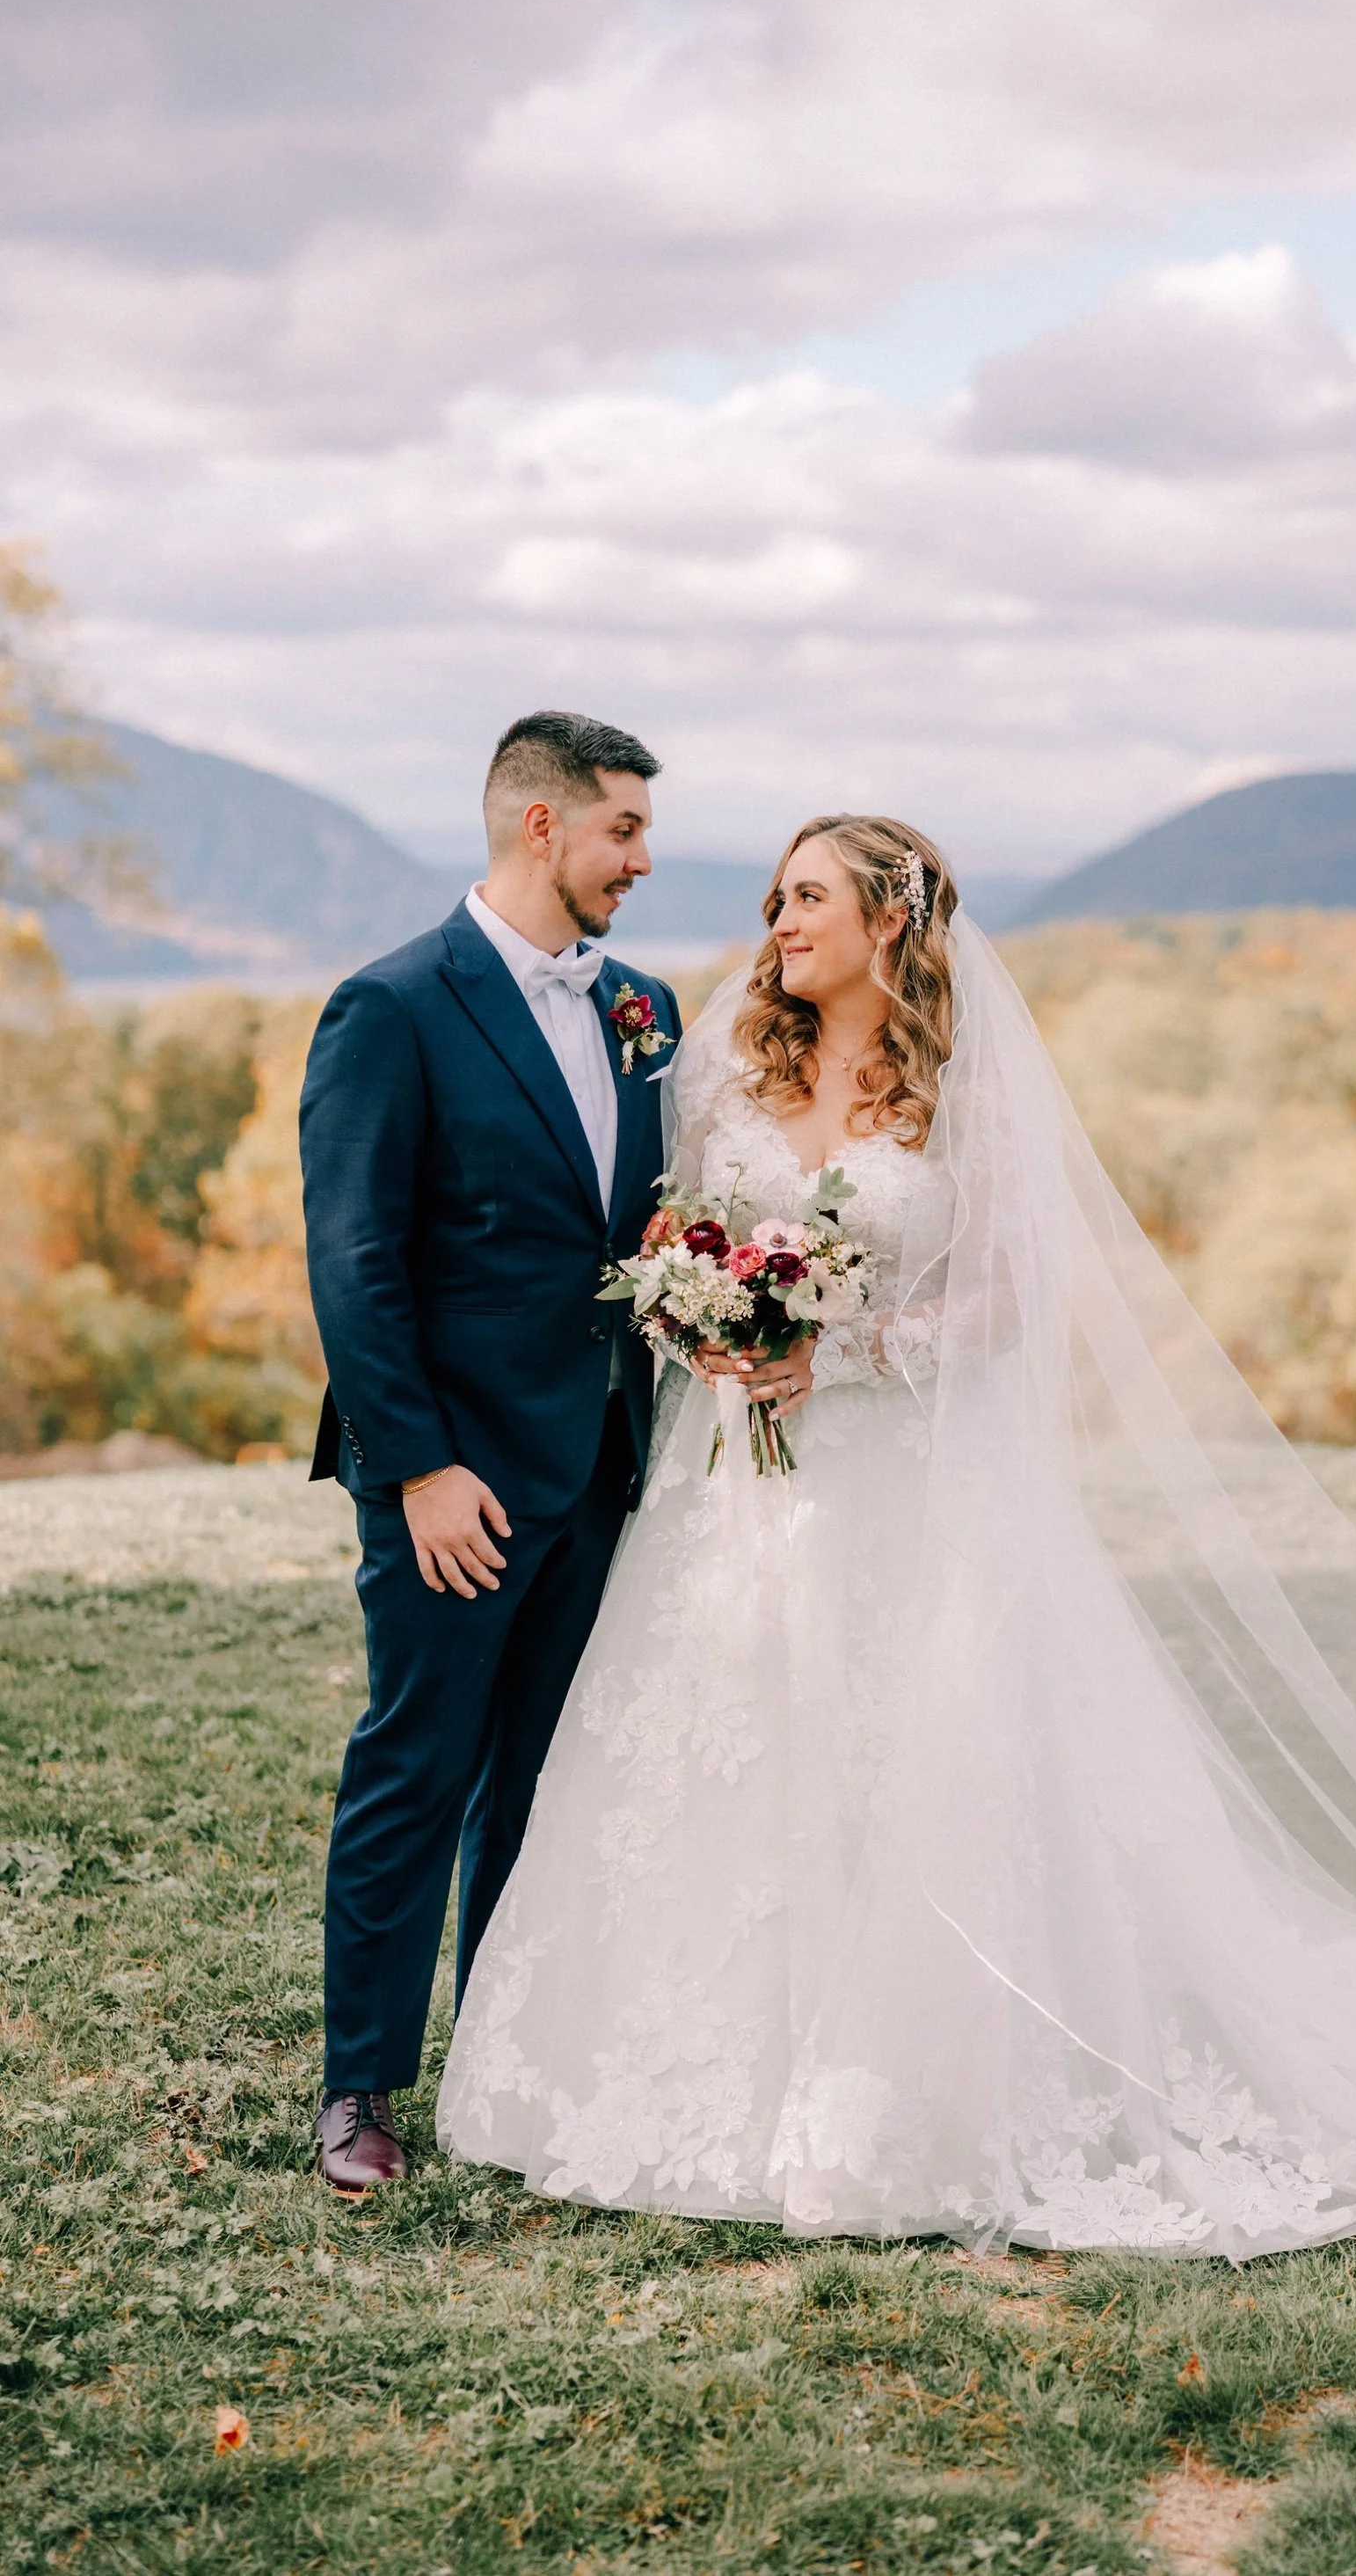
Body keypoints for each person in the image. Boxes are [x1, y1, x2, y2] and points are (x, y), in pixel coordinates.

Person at [441, 813, 1356, 2318]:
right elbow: (667, 1237)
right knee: (723, 1748)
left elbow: (1011, 1304)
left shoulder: (959, 1089)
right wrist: (705, 1321)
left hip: (898, 1481)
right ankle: (685, 2069)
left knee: (915, 1764)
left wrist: (835, 1354)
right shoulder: (727, 1068)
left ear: (891, 924)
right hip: (735, 1503)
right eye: (778, 898)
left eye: (812, 899)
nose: (781, 922)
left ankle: (907, 2087)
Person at [299, 710, 699, 2193]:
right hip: (452, 1481)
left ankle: (509, 2063)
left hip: (601, 1466)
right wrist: (414, 1467)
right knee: (417, 1768)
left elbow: (648, 1230)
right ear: (543, 825)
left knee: (542, 1780)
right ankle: (360, 2094)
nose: (643, 861)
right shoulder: (392, 1006)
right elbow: (355, 1257)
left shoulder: (643, 1008)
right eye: (624, 832)